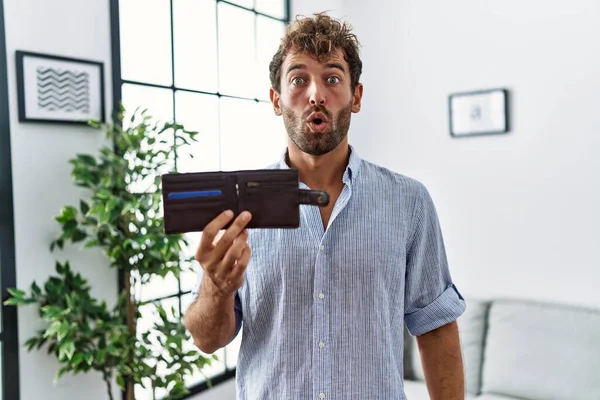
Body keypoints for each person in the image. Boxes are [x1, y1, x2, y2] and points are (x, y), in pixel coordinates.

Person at [184, 12, 466, 400]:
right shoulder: (239, 205)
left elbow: (435, 327)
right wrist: (215, 288)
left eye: (332, 78)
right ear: (276, 99)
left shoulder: (409, 202)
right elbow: (207, 340)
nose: (316, 93)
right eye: (298, 79)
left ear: (356, 96)